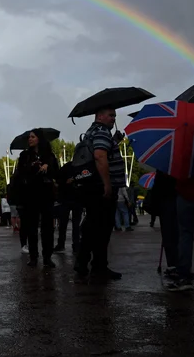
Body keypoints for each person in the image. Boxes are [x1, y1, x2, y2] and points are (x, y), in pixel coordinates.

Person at [74, 108, 125, 280]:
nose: (113, 118)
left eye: (115, 116)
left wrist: (114, 140)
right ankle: (99, 267)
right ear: (99, 116)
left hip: (90, 185)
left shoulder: (91, 131)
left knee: (92, 226)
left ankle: (82, 262)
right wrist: (107, 185)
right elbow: (100, 156)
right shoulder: (102, 131)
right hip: (100, 187)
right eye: (110, 115)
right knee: (102, 228)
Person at [14, 129, 60, 268]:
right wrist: (32, 166)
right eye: (29, 137)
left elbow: (57, 173)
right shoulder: (25, 155)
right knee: (31, 227)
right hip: (30, 195)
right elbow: (20, 174)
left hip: (46, 194)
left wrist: (47, 167)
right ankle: (33, 257)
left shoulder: (49, 156)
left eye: (33, 137)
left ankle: (47, 257)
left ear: (39, 138)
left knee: (47, 228)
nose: (30, 139)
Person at [55, 161, 83, 254]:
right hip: (77, 198)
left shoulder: (66, 167)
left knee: (63, 224)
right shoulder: (81, 167)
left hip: (66, 198)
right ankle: (76, 245)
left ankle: (61, 244)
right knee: (76, 224)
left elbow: (58, 180)